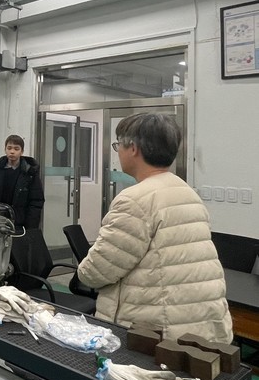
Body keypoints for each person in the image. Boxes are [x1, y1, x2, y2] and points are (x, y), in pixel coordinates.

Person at [77, 113, 233, 342]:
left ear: (133, 148)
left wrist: (83, 272)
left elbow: (98, 271)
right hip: (198, 325)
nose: (117, 152)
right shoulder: (186, 192)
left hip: (157, 331)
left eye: (118, 145)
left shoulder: (135, 200)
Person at [0, 134, 44, 229]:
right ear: (5, 150)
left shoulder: (30, 172)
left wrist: (31, 226)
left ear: (22, 151)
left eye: (16, 149)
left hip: (21, 222)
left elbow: (36, 201)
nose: (12, 152)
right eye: (9, 148)